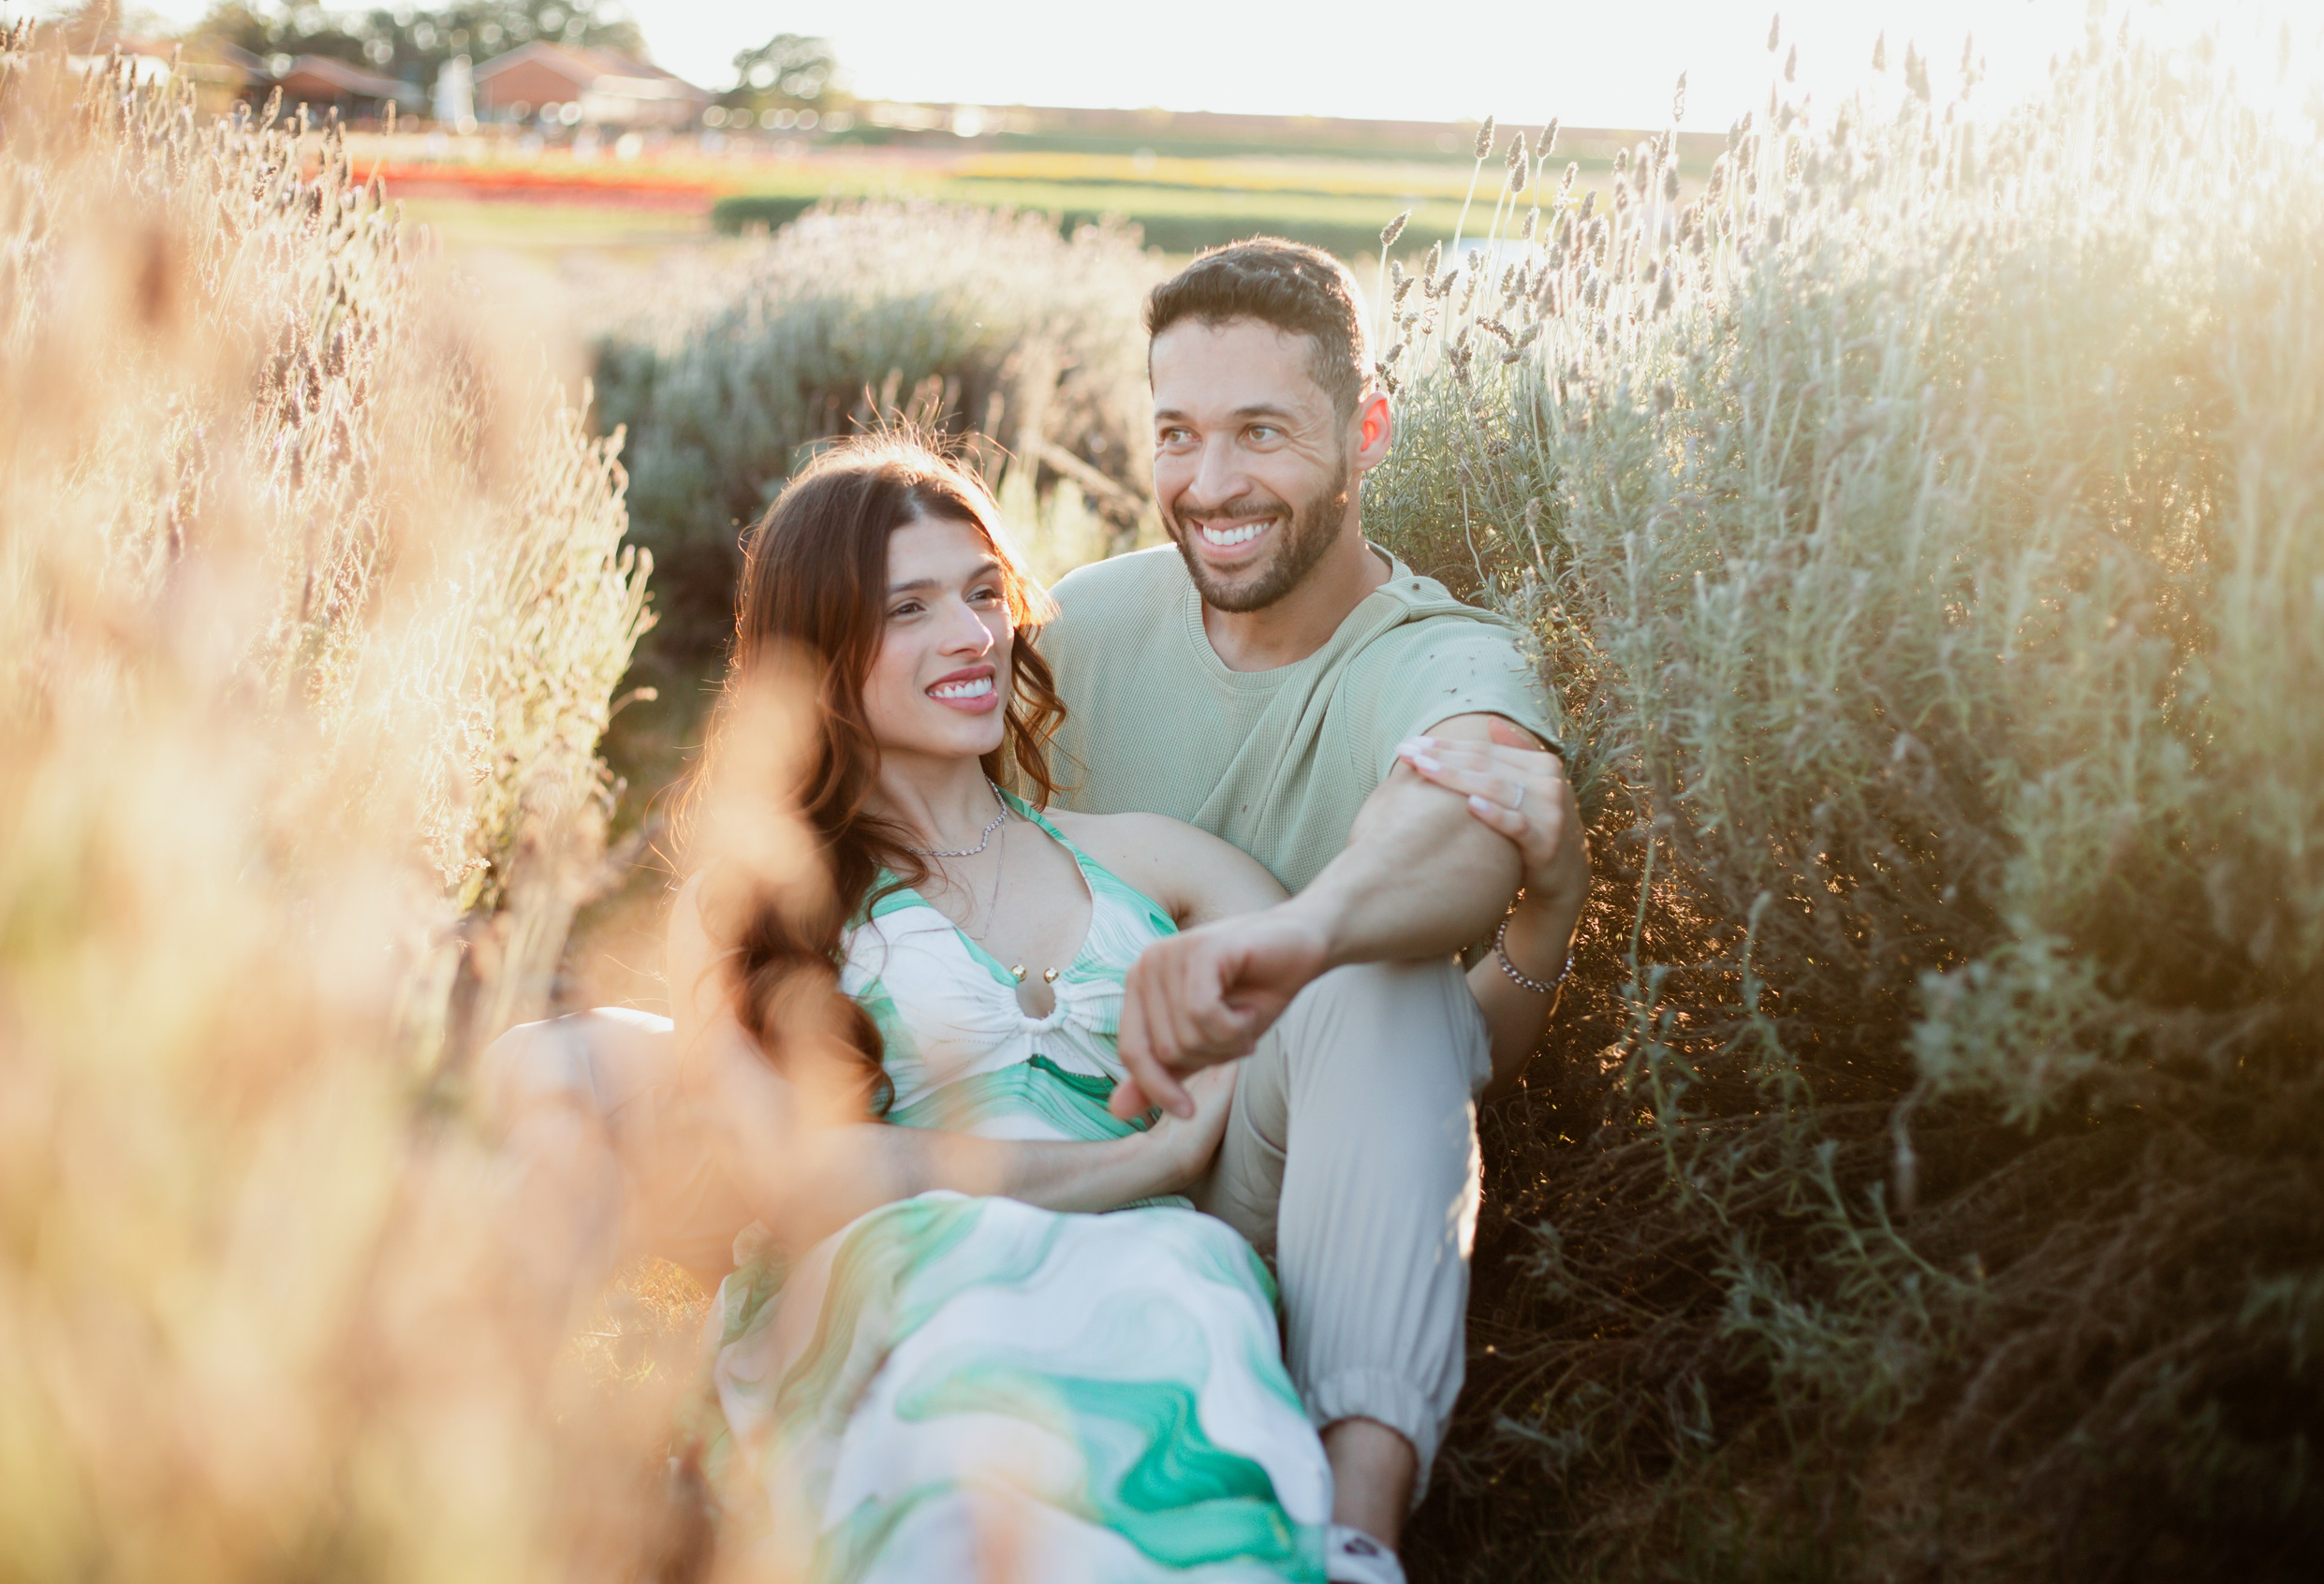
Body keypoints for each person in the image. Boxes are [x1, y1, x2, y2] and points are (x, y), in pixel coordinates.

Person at [486, 429, 1580, 1583]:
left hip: (1164, 1282)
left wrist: (1540, 922)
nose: (969, 636)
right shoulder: (753, 904)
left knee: (1182, 1307)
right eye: (907, 610)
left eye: (980, 593)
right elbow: (808, 1179)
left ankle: (1351, 1547)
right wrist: (1136, 1171)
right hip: (914, 1290)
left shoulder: (1157, 864)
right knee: (968, 1400)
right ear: (817, 652)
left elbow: (1405, 1056)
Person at [1036, 238, 1588, 1571]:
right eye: (1178, 432)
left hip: (1262, 1177)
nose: (1210, 484)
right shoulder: (1082, 627)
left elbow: (1465, 821)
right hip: (1054, 1143)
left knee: (1377, 976)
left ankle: (1355, 1536)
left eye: (1263, 433)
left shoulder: (1445, 656)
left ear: (1367, 431)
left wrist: (1295, 934)